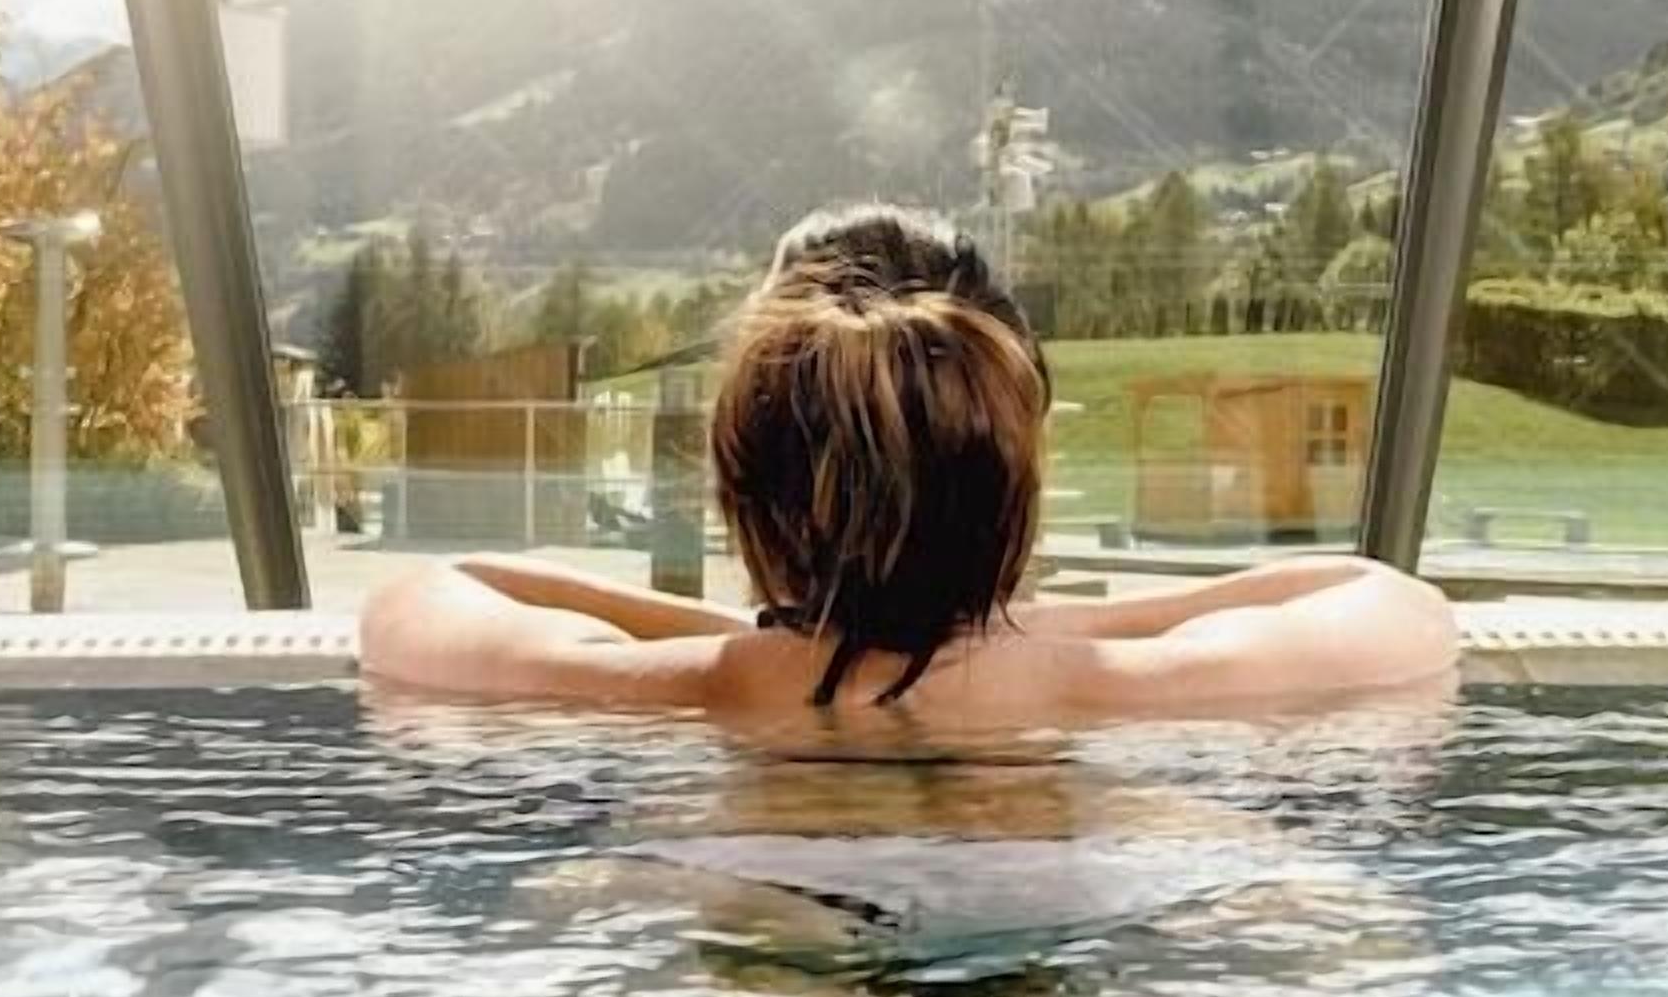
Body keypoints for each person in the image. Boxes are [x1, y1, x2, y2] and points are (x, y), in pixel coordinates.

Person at [357, 205, 1457, 726]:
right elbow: (1394, 604)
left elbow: (416, 604)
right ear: (1012, 482)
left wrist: (783, 640)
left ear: (740, 489)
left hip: (756, 900)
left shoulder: (694, 689)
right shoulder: (1110, 686)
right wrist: (1000, 633)